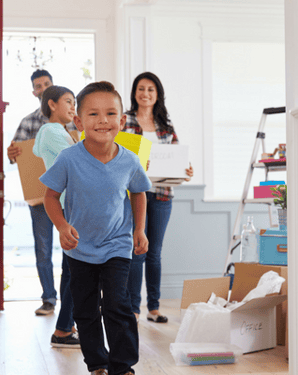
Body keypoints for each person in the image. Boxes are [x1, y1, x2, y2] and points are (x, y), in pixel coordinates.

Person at [40, 81, 151, 375]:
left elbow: (138, 192)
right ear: (78, 121)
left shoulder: (129, 160)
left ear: (122, 121)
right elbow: (50, 196)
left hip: (117, 244)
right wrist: (62, 226)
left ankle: (123, 365)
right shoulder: (69, 158)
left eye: (111, 113)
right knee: (86, 310)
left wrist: (139, 230)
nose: (103, 120)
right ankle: (98, 364)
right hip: (79, 249)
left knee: (117, 305)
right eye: (93, 114)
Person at [124, 72, 194, 323]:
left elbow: (178, 158)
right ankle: (133, 307)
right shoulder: (125, 120)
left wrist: (186, 171)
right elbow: (118, 152)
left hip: (163, 194)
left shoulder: (166, 125)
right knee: (137, 250)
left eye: (151, 90)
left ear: (157, 94)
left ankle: (154, 307)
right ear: (134, 93)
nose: (145, 94)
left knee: (154, 253)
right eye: (141, 89)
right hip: (135, 194)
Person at [7, 70, 77, 316]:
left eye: (47, 84)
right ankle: (49, 298)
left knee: (71, 249)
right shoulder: (29, 123)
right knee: (44, 248)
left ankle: (69, 307)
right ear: (35, 92)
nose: (43, 87)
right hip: (40, 195)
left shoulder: (70, 122)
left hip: (66, 196)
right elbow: (19, 155)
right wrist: (12, 153)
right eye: (38, 86)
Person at [32, 85, 80, 348]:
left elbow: (37, 153)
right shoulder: (52, 131)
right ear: (52, 104)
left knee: (70, 269)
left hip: (66, 202)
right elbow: (78, 156)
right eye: (69, 102)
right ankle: (63, 329)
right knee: (75, 271)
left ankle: (66, 325)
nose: (73, 107)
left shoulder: (52, 132)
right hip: (70, 203)